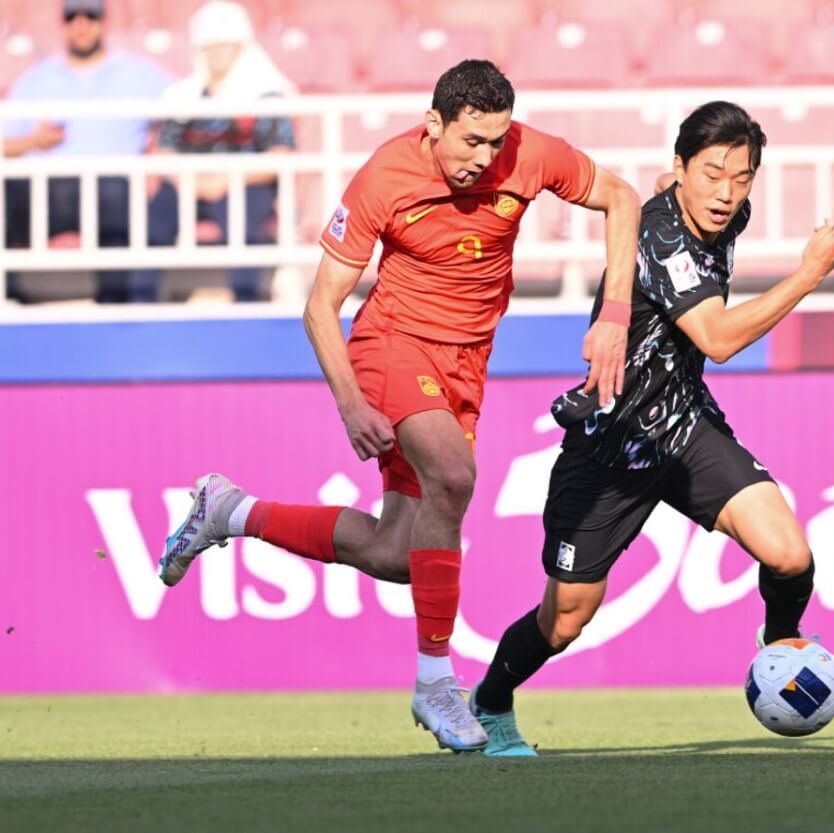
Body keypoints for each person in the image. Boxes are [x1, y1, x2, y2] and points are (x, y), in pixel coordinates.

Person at [158, 59, 639, 751]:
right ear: (433, 123)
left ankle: (230, 510)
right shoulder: (384, 177)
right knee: (453, 475)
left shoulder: (527, 153)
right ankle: (436, 683)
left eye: (495, 141)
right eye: (471, 141)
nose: (485, 158)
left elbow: (620, 197)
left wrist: (615, 315)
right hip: (393, 345)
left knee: (396, 553)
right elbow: (320, 307)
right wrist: (351, 405)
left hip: (467, 365)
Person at [462, 101, 834, 757]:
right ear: (680, 167)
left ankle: (781, 641)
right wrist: (810, 273)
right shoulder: (661, 236)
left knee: (789, 554)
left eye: (740, 178)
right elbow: (718, 339)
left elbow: (669, 193)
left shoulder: (720, 211)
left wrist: (677, 187)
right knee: (564, 619)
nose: (725, 194)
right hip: (610, 446)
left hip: (683, 429)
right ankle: (490, 700)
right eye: (711, 175)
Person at [2, 0, 172, 303]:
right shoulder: (37, 78)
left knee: (117, 194)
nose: (81, 25)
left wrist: (163, 150)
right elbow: (5, 141)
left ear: (103, 22)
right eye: (72, 17)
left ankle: (115, 303)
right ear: (63, 24)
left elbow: (189, 108)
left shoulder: (140, 74)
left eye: (90, 16)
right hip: (46, 190)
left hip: (112, 188)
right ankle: (10, 297)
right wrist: (33, 142)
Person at [141, 0, 297, 302]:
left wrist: (225, 180)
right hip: (189, 183)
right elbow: (165, 150)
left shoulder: (266, 95)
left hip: (244, 183)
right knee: (152, 221)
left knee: (244, 225)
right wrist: (191, 181)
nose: (217, 55)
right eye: (210, 48)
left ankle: (247, 302)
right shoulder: (184, 95)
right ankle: (140, 303)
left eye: (225, 47)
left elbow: (279, 154)